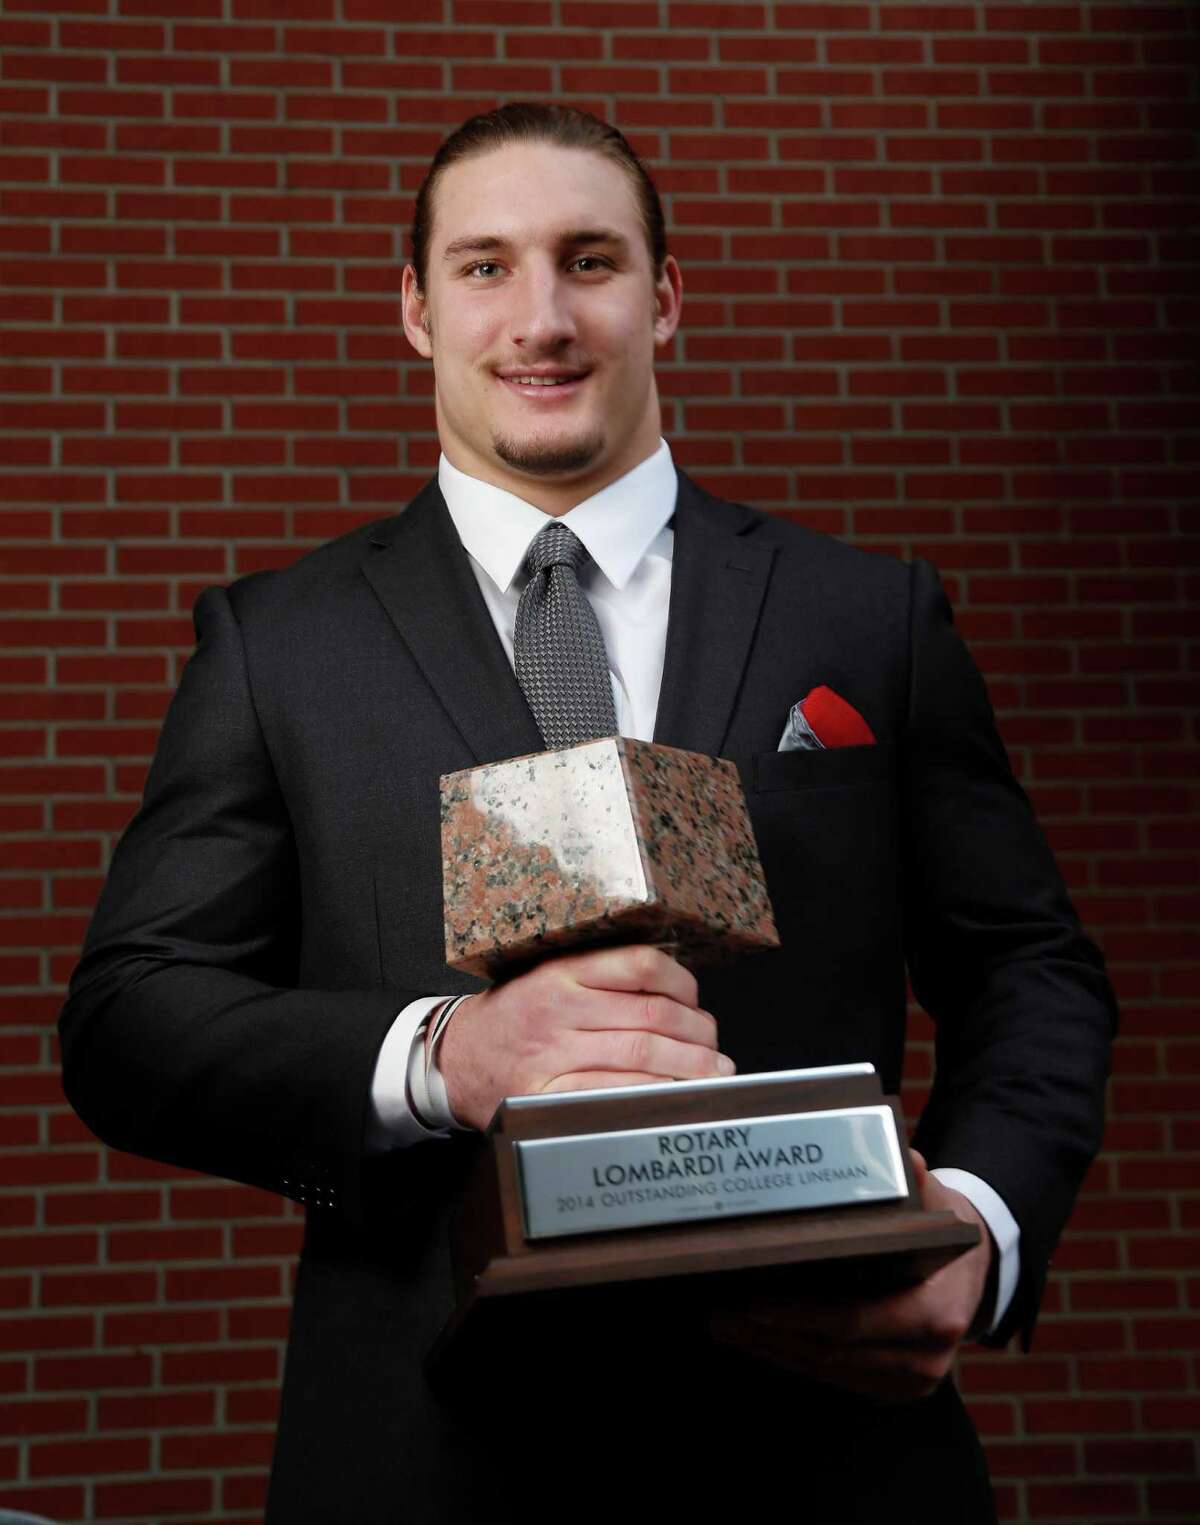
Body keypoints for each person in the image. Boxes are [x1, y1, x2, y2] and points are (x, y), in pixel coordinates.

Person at [61, 103, 1117, 1522]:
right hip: (422, 1455)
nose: (541, 318)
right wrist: (443, 1051)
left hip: (826, 1450)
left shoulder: (867, 616)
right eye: (486, 266)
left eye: (591, 260)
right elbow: (129, 1017)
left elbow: (1032, 968)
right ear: (417, 310)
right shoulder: (278, 646)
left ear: (665, 298)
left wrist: (981, 1224)